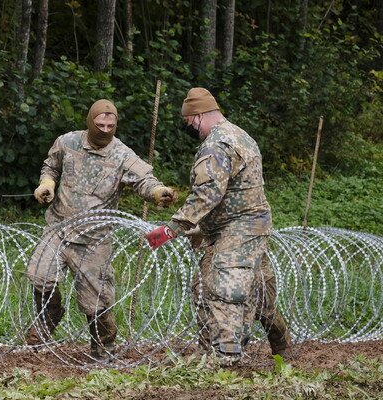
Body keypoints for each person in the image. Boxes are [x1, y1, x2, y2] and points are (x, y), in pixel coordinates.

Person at [146, 88, 291, 365]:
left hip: (239, 229)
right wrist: (204, 228)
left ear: (198, 116)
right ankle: (279, 345)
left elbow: (208, 192)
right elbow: (236, 190)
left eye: (189, 122)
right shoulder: (239, 134)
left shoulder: (217, 144)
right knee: (248, 289)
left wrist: (174, 227)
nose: (189, 128)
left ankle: (226, 359)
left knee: (225, 290)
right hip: (242, 225)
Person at [25, 99, 178, 361]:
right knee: (39, 276)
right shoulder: (67, 142)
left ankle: (103, 348)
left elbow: (144, 180)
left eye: (111, 124)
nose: (105, 129)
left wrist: (157, 192)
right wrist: (47, 184)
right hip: (58, 227)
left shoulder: (121, 154)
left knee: (95, 301)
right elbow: (51, 166)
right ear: (90, 121)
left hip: (94, 239)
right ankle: (48, 318)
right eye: (100, 124)